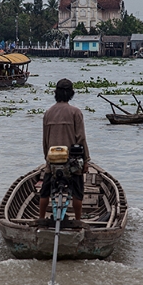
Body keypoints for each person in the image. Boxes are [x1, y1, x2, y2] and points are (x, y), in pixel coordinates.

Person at [39, 78, 90, 222]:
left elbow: (45, 140)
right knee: (78, 192)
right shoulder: (76, 112)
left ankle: (41, 219)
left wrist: (47, 160)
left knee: (45, 191)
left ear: (56, 93)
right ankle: (78, 221)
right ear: (71, 94)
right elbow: (81, 139)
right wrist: (86, 160)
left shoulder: (48, 113)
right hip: (72, 162)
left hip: (53, 160)